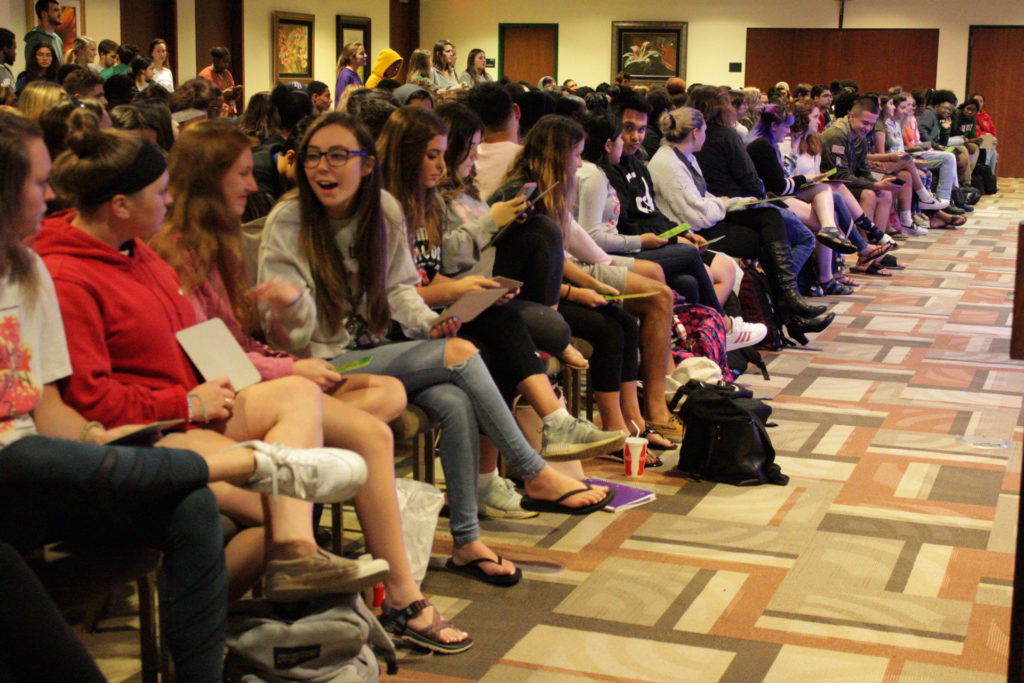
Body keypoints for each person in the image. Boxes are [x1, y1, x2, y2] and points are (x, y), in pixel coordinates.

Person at [0, 108, 372, 681]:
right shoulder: (68, 270)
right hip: (71, 451)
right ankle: (261, 467)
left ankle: (218, 649)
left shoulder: (34, 268)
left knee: (219, 486)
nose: (53, 197)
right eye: (40, 183)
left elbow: (52, 407)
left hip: (105, 438)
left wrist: (110, 442)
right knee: (262, 480)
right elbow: (83, 402)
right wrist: (175, 411)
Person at [258, 112, 616, 613]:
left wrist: (429, 323)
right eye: (315, 156)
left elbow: (401, 290)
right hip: (322, 362)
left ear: (366, 165)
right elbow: (289, 336)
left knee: (453, 397)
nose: (325, 167)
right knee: (464, 353)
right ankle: (534, 470)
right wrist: (290, 306)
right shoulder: (289, 220)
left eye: (340, 155)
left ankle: (467, 542)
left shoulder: (381, 210)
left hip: (375, 350)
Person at [150, 120, 462, 652]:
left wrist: (283, 334)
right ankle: (402, 597)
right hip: (207, 403)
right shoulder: (180, 251)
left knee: (388, 399)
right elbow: (206, 356)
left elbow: (232, 342)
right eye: (244, 174)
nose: (255, 185)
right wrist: (287, 367)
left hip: (241, 385)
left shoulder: (215, 239)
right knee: (369, 433)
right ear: (210, 179)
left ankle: (380, 587)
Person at [378, 104, 622, 459]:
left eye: (444, 155)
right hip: (407, 327)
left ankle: (554, 434)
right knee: (512, 331)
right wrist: (466, 284)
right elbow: (403, 293)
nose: (444, 165)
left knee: (596, 320)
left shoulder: (428, 202)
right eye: (434, 155)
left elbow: (434, 270)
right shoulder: (390, 209)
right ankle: (539, 449)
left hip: (448, 306)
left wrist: (476, 289)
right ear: (407, 155)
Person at [491, 114, 684, 450]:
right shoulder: (521, 197)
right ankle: (616, 427)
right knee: (610, 329)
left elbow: (561, 258)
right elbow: (528, 273)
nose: (580, 163)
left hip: (550, 294)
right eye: (577, 154)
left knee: (624, 322)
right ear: (558, 154)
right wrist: (580, 292)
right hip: (530, 302)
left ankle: (632, 421)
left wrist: (591, 285)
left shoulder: (544, 191)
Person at [577, 109, 765, 349]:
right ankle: (721, 326)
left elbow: (653, 213)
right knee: (692, 257)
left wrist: (680, 233)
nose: (634, 137)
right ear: (608, 143)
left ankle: (703, 343)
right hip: (617, 252)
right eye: (626, 130)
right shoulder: (596, 174)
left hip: (638, 244)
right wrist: (660, 241)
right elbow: (596, 235)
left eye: (642, 129)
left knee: (693, 279)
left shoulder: (634, 165)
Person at [648, 106, 835, 343]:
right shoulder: (667, 163)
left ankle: (789, 305)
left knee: (770, 217)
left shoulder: (685, 157)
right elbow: (694, 215)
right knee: (768, 240)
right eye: (704, 130)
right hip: (694, 233)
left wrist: (734, 202)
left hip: (705, 223)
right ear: (695, 133)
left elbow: (702, 200)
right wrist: (724, 204)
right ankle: (790, 308)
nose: (707, 135)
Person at [198, 46, 241, 116]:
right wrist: (222, 95)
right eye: (224, 62)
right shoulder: (204, 75)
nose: (227, 65)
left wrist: (235, 93)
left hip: (230, 113)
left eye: (228, 62)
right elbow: (201, 101)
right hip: (214, 116)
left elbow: (232, 96)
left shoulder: (227, 73)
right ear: (215, 60)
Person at [24, 0, 63, 68]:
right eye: (56, 10)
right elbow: (32, 69)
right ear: (44, 14)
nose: (60, 14)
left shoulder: (57, 39)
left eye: (60, 10)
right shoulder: (35, 39)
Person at [334, 42, 366, 109]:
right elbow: (342, 100)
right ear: (352, 57)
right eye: (361, 54)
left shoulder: (354, 73)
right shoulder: (345, 75)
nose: (365, 55)